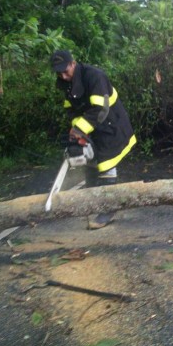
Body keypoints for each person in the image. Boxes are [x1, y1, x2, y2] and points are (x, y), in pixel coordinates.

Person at [50, 50, 137, 228]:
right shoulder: (65, 83)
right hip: (93, 126)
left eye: (66, 71)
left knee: (106, 164)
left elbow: (101, 109)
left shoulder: (94, 76)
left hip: (111, 123)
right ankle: (94, 201)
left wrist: (80, 129)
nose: (63, 76)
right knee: (90, 163)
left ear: (73, 63)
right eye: (59, 73)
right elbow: (71, 109)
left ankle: (109, 209)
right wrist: (77, 129)